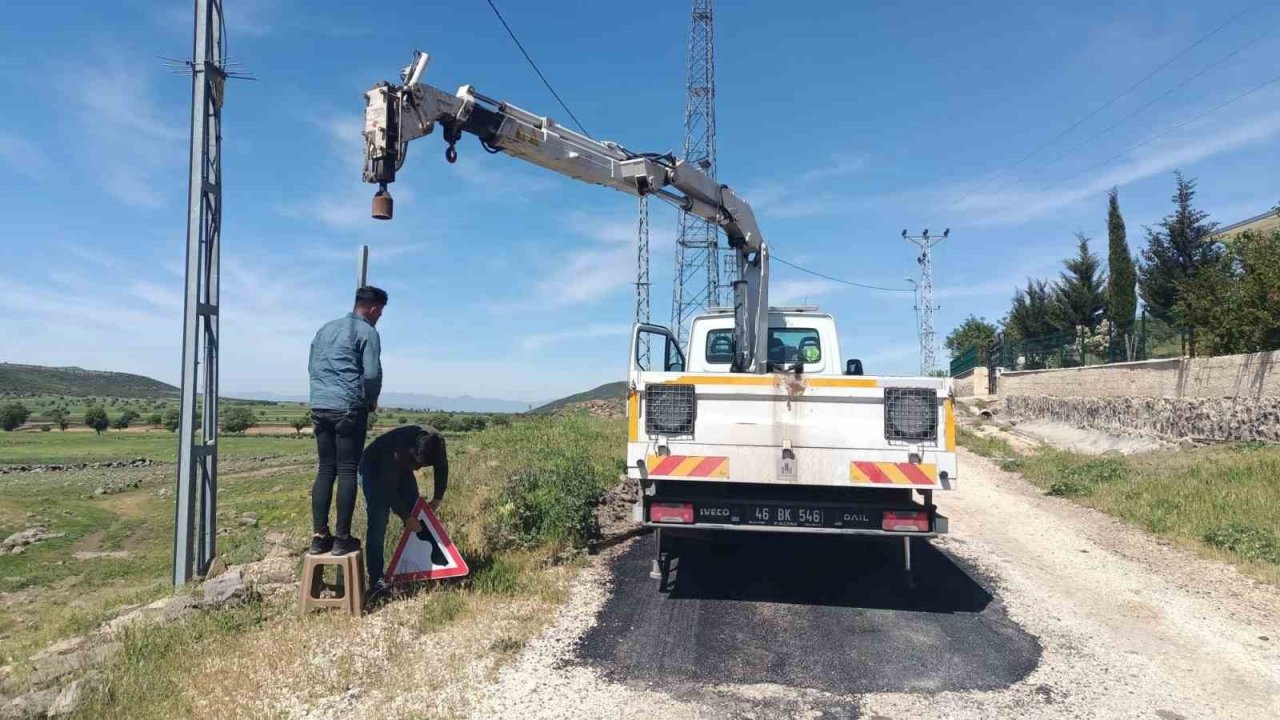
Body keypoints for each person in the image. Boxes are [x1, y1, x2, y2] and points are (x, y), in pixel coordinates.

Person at [307, 285, 387, 556]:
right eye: (380, 313)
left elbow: (312, 366)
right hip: (348, 408)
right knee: (347, 470)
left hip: (320, 405)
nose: (379, 317)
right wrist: (372, 398)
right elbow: (372, 373)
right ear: (374, 308)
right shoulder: (368, 332)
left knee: (325, 469)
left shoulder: (325, 329)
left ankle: (319, 537)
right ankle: (342, 538)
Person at [358, 424, 449, 596]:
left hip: (400, 467)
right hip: (374, 468)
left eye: (422, 465)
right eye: (416, 463)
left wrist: (437, 498)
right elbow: (387, 490)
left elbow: (442, 469)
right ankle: (377, 580)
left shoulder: (437, 443)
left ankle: (426, 565)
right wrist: (406, 517)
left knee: (417, 512)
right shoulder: (394, 447)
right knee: (378, 519)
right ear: (411, 449)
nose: (417, 468)